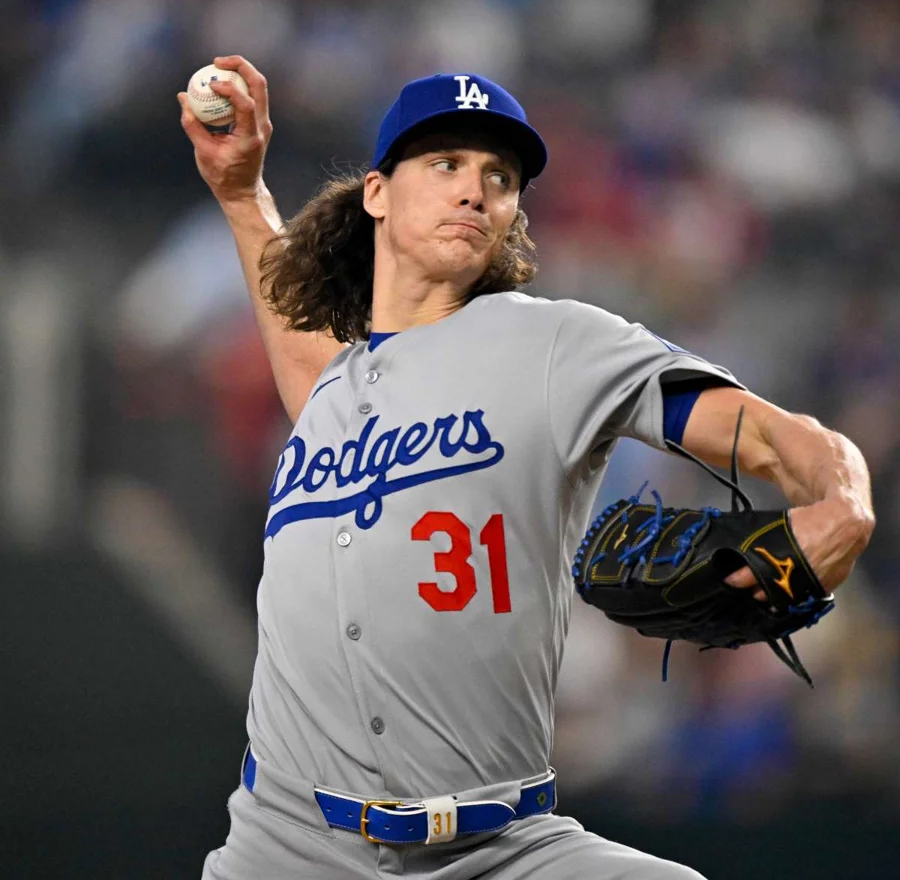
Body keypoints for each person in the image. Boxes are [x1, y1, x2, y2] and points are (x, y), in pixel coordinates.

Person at [177, 57, 874, 879]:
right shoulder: (333, 389)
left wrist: (843, 501)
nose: (475, 191)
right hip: (284, 846)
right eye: (446, 163)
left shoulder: (558, 344)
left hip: (496, 850)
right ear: (377, 193)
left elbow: (772, 437)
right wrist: (241, 195)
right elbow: (301, 346)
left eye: (499, 177)